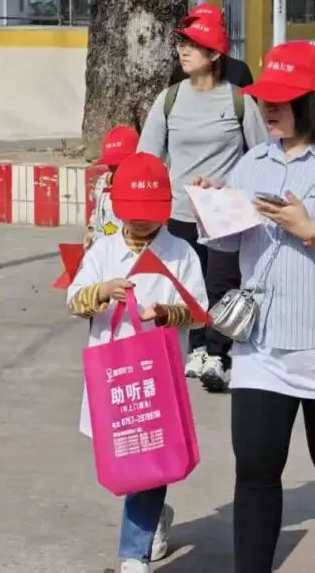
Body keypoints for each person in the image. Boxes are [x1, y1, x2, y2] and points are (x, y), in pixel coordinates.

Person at [200, 42, 315, 573]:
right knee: (256, 467)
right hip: (261, 344)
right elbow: (228, 245)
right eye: (265, 98)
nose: (269, 108)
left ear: (314, 102)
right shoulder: (251, 164)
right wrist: (215, 206)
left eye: (282, 99)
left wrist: (311, 231)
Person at [66, 152, 209, 573]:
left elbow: (198, 310)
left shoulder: (180, 252)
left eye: (150, 214)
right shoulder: (103, 251)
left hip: (157, 375)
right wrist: (101, 291)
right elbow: (73, 300)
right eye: (134, 214)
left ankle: (134, 552)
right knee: (126, 458)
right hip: (114, 376)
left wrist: (166, 313)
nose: (143, 223)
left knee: (149, 458)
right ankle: (153, 516)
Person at [138, 14, 268, 392]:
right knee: (187, 285)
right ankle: (195, 348)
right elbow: (147, 157)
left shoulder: (239, 100)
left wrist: (229, 186)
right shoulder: (169, 99)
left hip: (224, 212)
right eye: (182, 44)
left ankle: (218, 354)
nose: (183, 51)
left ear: (214, 54)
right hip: (180, 212)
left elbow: (261, 156)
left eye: (193, 46)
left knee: (222, 284)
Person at [85, 125, 139, 246]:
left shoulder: (138, 187)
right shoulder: (102, 181)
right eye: (112, 164)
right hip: (100, 244)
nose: (115, 169)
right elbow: (96, 210)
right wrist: (91, 230)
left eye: (120, 164)